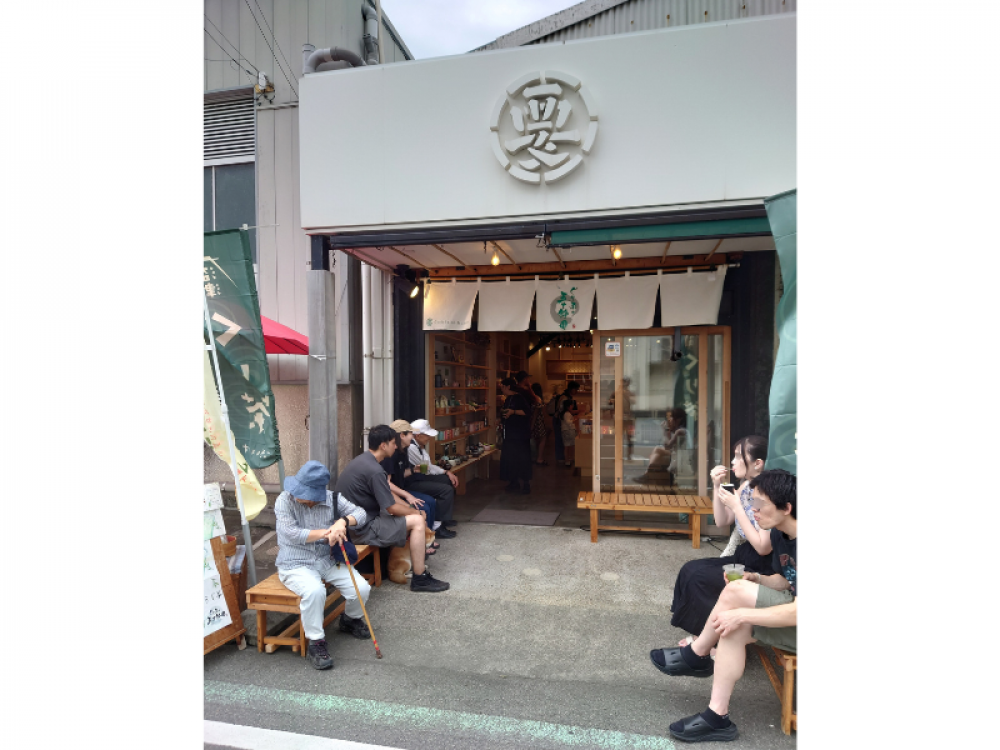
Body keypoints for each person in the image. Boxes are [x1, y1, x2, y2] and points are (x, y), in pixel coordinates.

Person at [651, 469, 797, 743]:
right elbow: (786, 580)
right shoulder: (780, 534)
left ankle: (697, 654)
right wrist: (757, 578)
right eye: (751, 502)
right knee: (733, 625)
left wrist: (742, 613)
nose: (753, 510)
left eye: (759, 504)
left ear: (786, 508)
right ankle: (717, 716)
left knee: (735, 598)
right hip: (792, 608)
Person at [668, 436, 772, 640]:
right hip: (745, 554)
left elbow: (763, 547)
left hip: (763, 564)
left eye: (738, 457)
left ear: (758, 463)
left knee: (701, 578)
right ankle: (703, 634)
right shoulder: (745, 486)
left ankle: (709, 641)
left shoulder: (764, 493)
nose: (733, 462)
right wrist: (716, 487)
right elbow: (722, 521)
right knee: (690, 569)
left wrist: (737, 507)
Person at [274, 460, 373, 670]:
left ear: (317, 493)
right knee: (315, 591)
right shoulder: (284, 500)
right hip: (295, 562)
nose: (297, 495)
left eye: (303, 492)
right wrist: (328, 532)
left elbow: (362, 514)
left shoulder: (332, 498)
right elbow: (290, 533)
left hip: (327, 559)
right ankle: (316, 641)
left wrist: (343, 522)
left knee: (362, 588)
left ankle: (350, 619)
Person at [336, 424, 450, 593]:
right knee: (418, 521)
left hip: (356, 522)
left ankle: (406, 566)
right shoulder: (375, 470)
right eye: (393, 443)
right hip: (361, 528)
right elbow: (391, 508)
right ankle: (420, 578)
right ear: (384, 445)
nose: (396, 446)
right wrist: (416, 512)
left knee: (414, 515)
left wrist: (410, 507)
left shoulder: (363, 460)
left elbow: (388, 497)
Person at [396, 418, 458, 539]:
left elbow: (427, 465)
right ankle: (437, 526)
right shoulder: (411, 447)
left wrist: (446, 472)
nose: (429, 438)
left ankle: (444, 518)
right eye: (427, 435)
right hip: (412, 482)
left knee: (447, 480)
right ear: (418, 436)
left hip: (420, 476)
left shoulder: (419, 445)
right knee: (446, 490)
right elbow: (427, 468)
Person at [635, 406, 689, 484]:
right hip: (676, 455)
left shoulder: (680, 431)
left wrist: (664, 430)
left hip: (679, 459)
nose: (669, 419)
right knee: (657, 450)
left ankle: (647, 474)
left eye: (671, 417)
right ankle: (647, 474)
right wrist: (668, 430)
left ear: (678, 419)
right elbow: (669, 445)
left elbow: (667, 447)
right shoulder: (681, 430)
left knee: (657, 450)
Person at [498, 377, 533, 494]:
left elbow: (527, 412)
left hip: (520, 434)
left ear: (508, 387)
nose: (502, 389)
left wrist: (513, 412)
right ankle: (514, 481)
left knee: (522, 458)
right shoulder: (508, 399)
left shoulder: (519, 398)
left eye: (503, 387)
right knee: (511, 459)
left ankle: (525, 483)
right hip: (510, 434)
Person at [551, 381, 581, 464]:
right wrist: (576, 412)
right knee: (561, 440)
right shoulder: (565, 398)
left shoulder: (566, 396)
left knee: (563, 440)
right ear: (572, 389)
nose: (577, 391)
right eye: (576, 389)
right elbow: (563, 411)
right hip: (559, 420)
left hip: (560, 420)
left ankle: (565, 458)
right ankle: (562, 458)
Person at [529, 382, 549, 465]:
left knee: (534, 439)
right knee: (542, 439)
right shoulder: (538, 399)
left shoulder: (531, 399)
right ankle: (539, 458)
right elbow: (536, 413)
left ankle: (533, 457)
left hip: (532, 421)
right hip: (538, 422)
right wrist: (532, 425)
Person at [558, 390, 578, 468]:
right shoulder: (567, 414)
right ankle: (570, 459)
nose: (572, 407)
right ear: (568, 406)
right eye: (571, 406)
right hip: (569, 431)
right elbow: (569, 422)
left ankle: (568, 460)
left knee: (567, 446)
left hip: (565, 431)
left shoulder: (563, 413)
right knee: (570, 445)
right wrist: (574, 420)